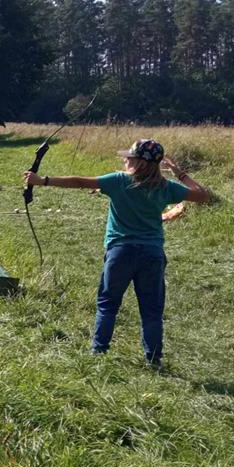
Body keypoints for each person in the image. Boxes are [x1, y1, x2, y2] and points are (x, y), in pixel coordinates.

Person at [23, 138, 209, 365]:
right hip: (152, 254)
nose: (125, 160)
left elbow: (80, 182)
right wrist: (179, 173)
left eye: (129, 157)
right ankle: (153, 359)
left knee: (108, 304)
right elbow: (202, 195)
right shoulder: (166, 187)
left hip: (120, 253)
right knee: (151, 310)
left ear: (138, 162)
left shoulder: (119, 181)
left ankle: (98, 351)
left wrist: (42, 181)